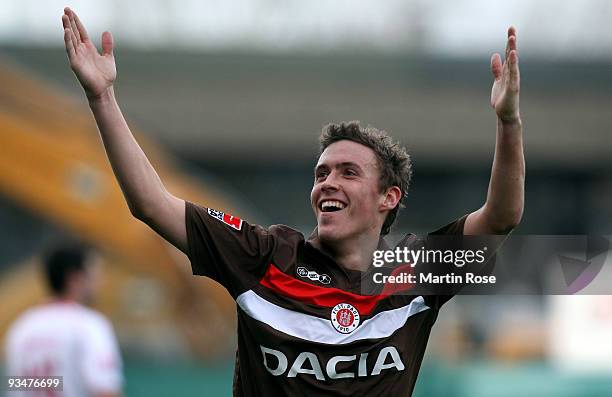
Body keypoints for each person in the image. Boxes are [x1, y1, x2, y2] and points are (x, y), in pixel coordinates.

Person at [60, 6, 523, 396]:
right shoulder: (263, 256)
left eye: (348, 173)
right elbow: (151, 203)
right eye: (321, 173)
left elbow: (502, 217)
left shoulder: (416, 270)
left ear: (388, 197)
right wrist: (102, 97)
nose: (327, 183)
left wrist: (508, 122)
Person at [5, 242, 123, 397]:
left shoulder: (21, 327)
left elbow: (16, 385)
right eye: (95, 273)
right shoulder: (89, 325)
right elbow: (105, 391)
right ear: (74, 278)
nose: (101, 282)